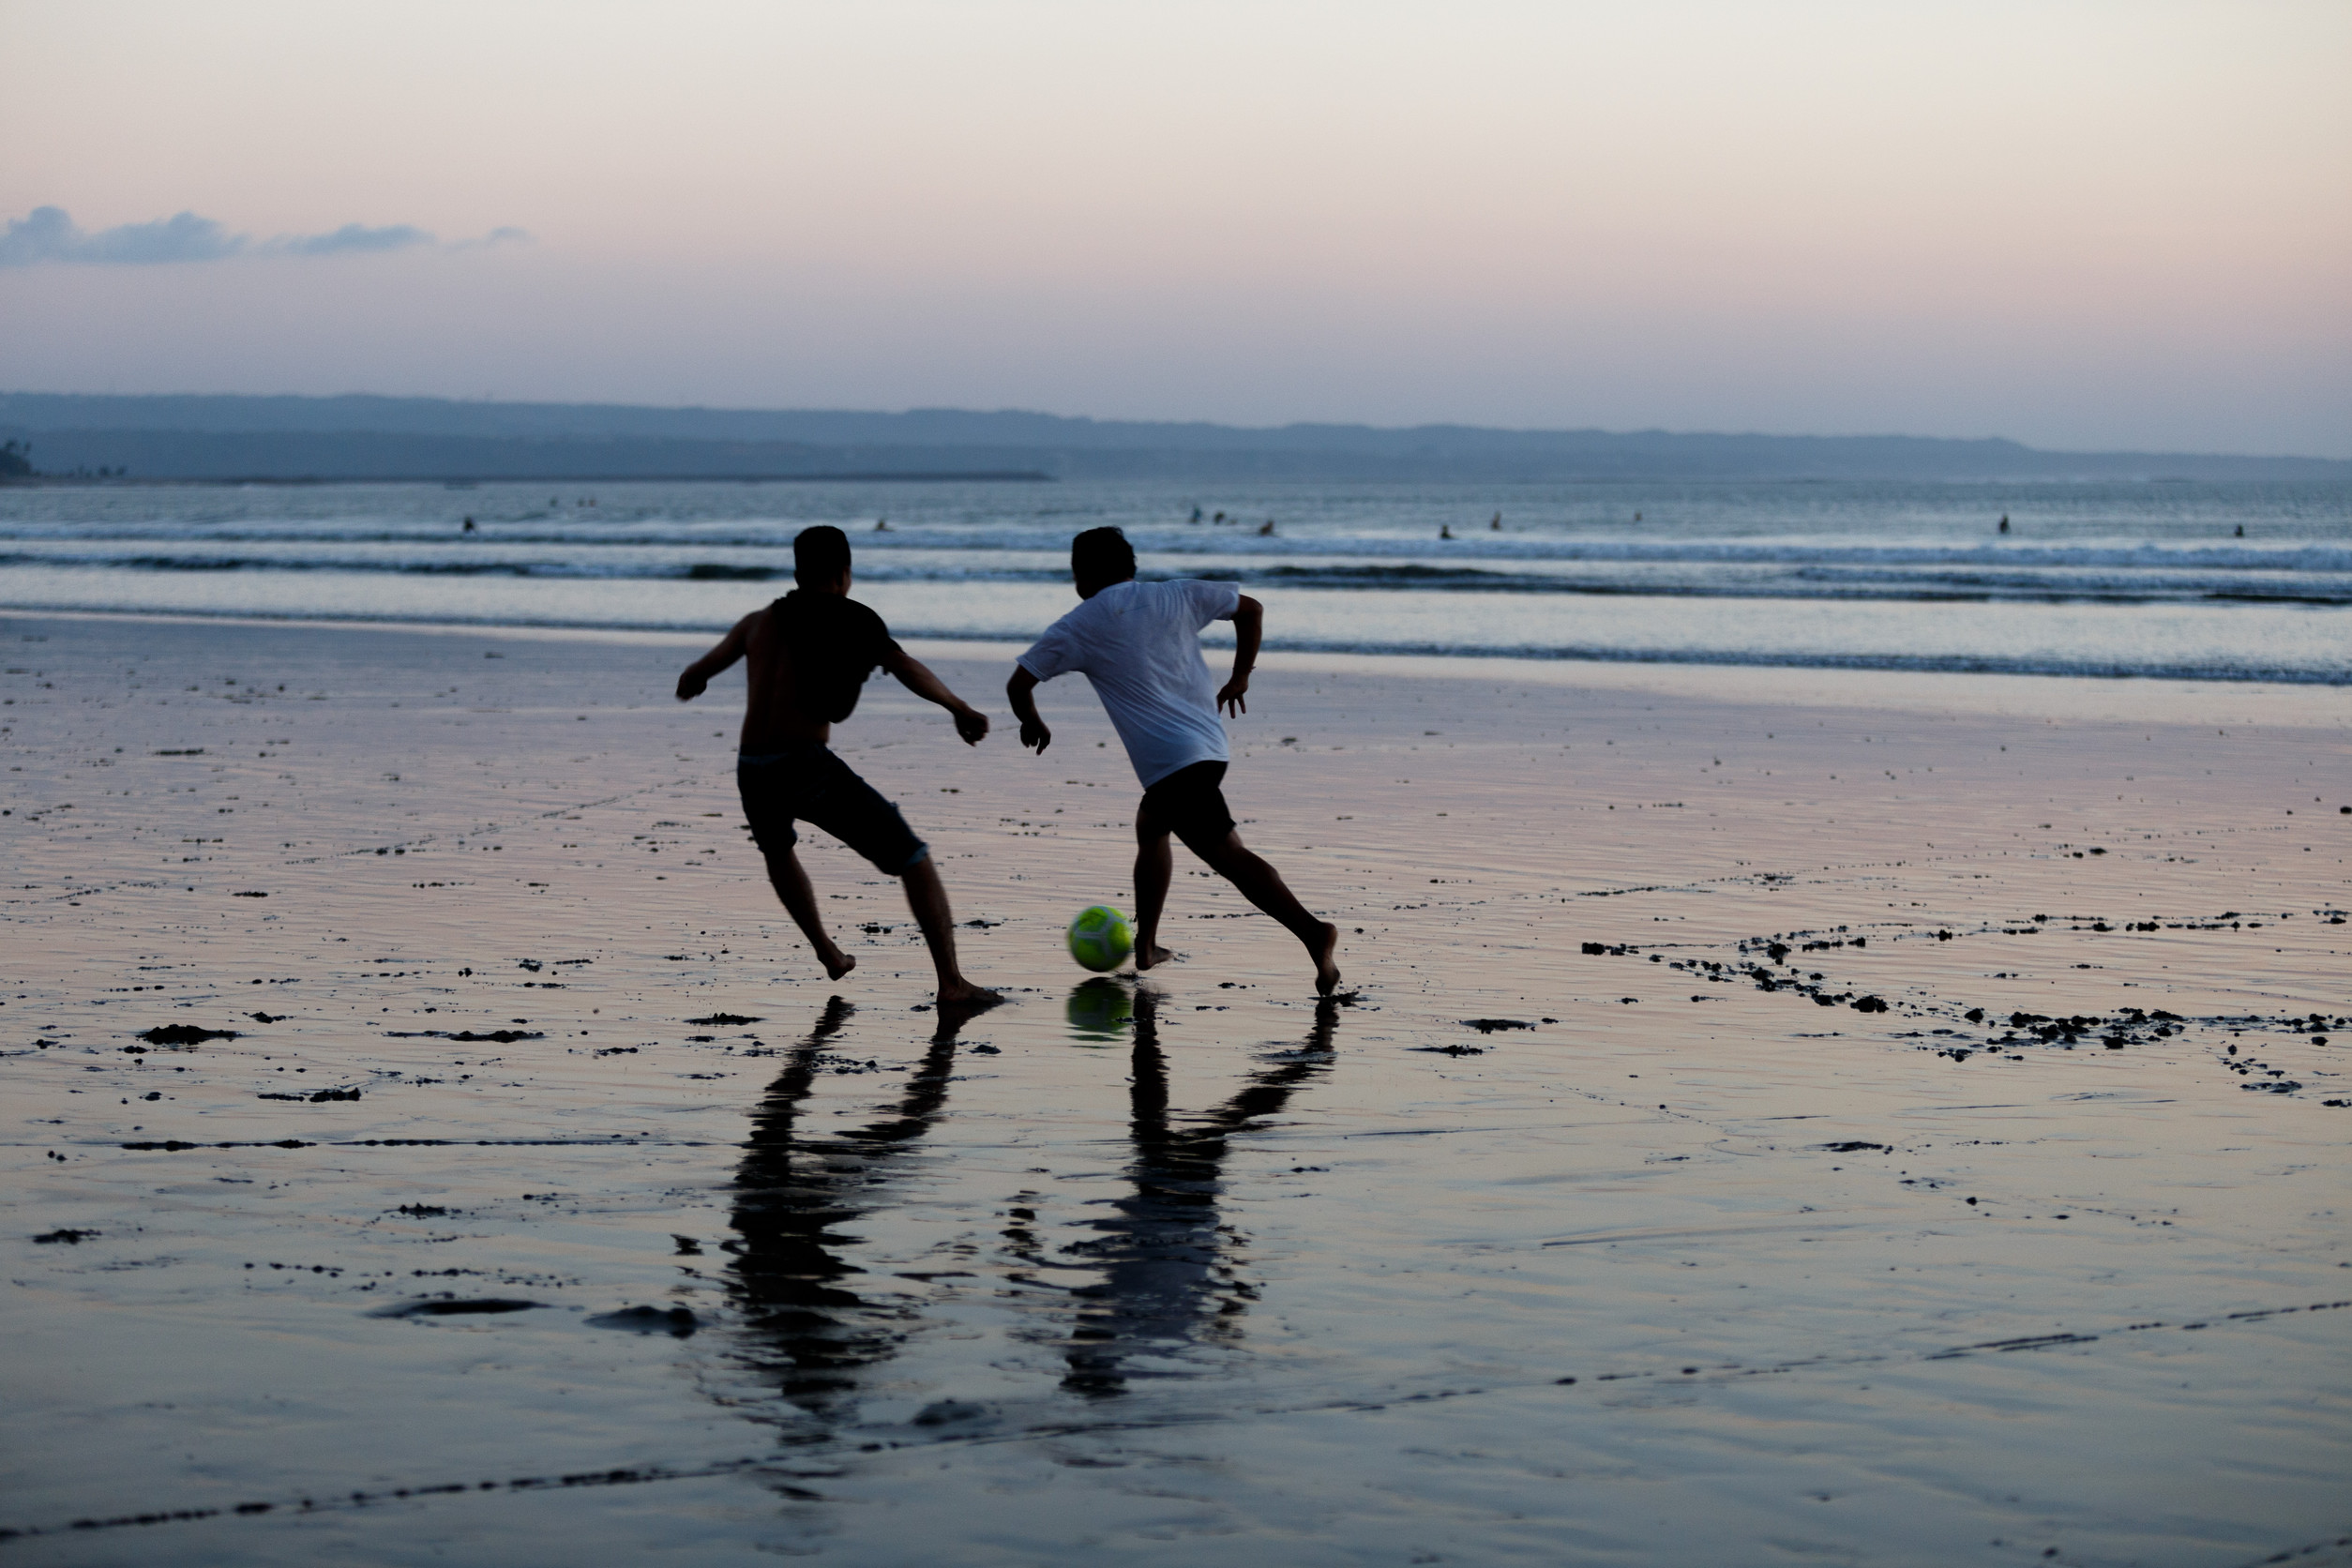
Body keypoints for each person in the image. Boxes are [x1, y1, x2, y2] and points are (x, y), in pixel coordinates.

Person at [1005, 526, 1341, 995]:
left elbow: (1019, 684)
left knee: (1228, 855)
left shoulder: (1078, 625)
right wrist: (1241, 676)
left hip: (1172, 763)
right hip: (1207, 748)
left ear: (1080, 574)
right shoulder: (1177, 595)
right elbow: (1251, 609)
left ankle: (1313, 931)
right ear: (1131, 567)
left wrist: (1033, 723)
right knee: (1152, 825)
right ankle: (1145, 946)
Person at [676, 525, 999, 1008]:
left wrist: (695, 683)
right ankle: (952, 983)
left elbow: (694, 674)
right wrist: (959, 707)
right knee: (912, 856)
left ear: (797, 572)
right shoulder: (851, 617)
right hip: (803, 764)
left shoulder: (757, 622)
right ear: (844, 573)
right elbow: (907, 667)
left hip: (751, 767)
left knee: (778, 851)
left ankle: (828, 952)